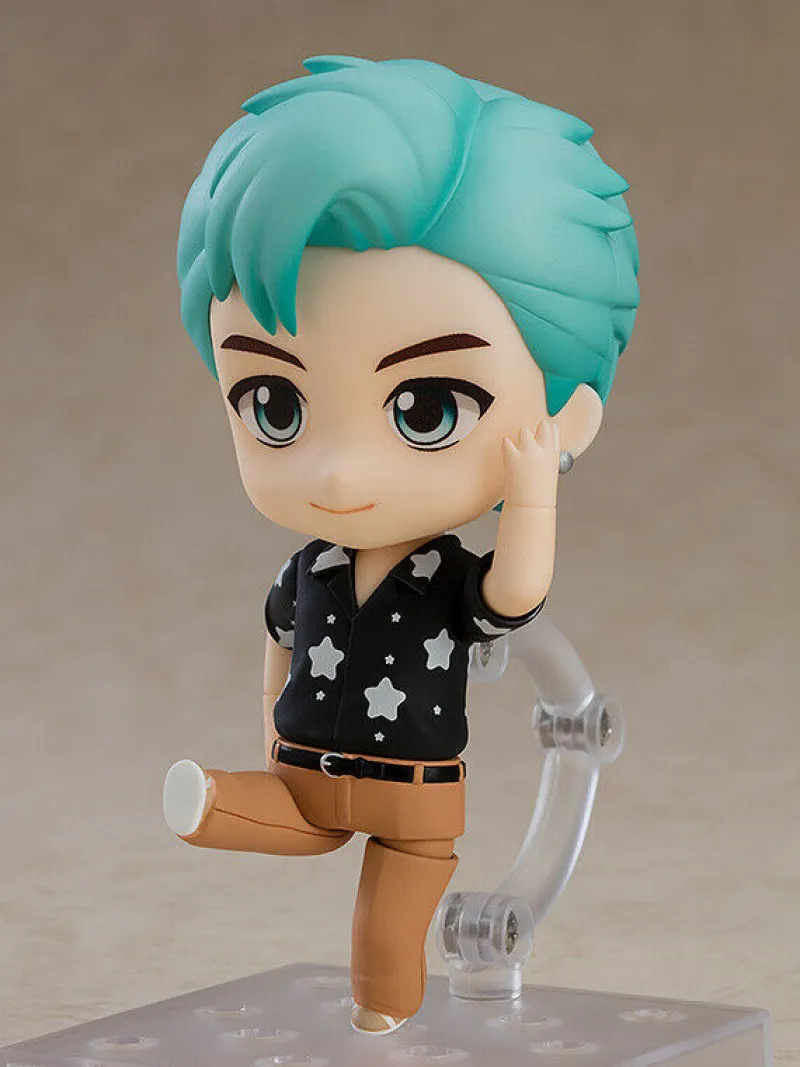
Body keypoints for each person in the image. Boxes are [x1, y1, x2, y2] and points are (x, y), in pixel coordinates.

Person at [163, 54, 639, 1035]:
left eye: (424, 408)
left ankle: (383, 1014)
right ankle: (216, 802)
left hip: (416, 789)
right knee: (296, 822)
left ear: (567, 414)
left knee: (391, 915)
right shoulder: (310, 567)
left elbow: (515, 594)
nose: (339, 472)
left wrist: (532, 491)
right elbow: (276, 639)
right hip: (306, 764)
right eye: (274, 402)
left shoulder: (444, 575)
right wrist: (269, 731)